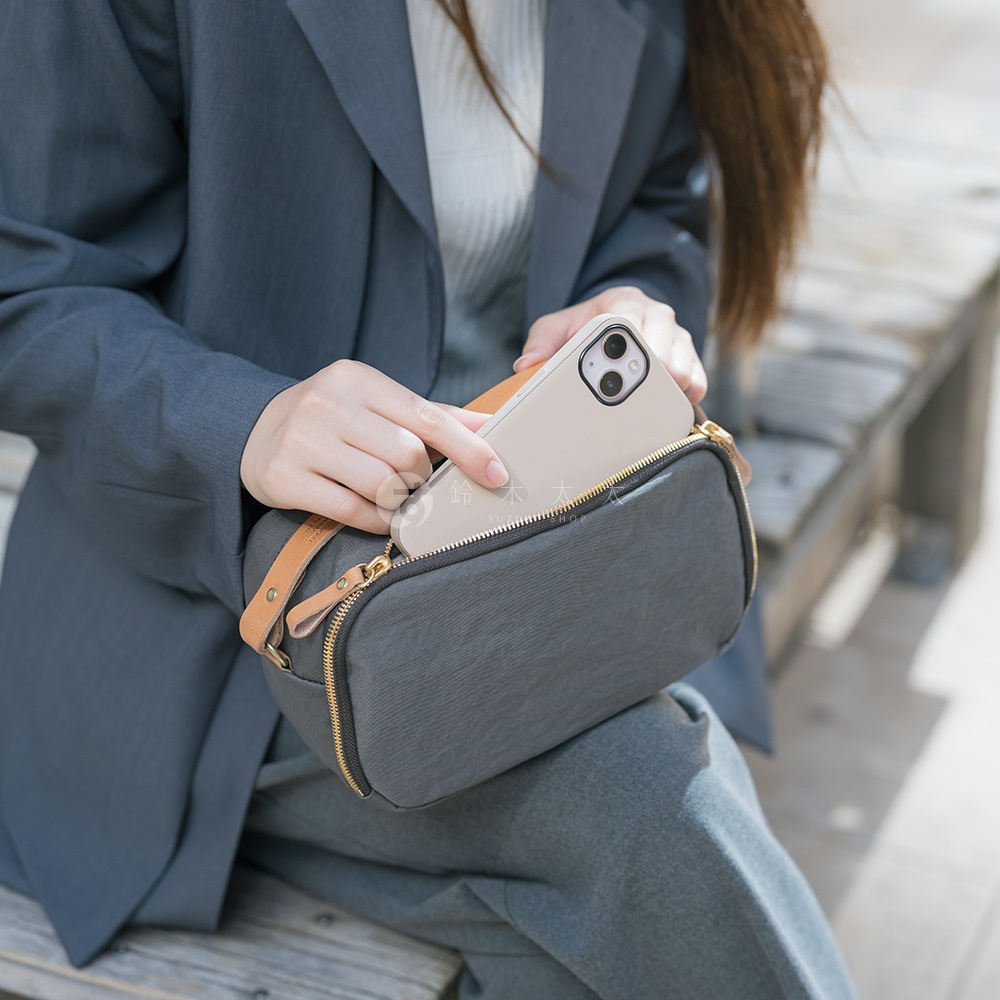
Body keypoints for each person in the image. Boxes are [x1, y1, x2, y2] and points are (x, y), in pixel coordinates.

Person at [0, 0, 859, 996]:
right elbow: (32, 287)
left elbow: (657, 198)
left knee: (619, 895)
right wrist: (244, 422)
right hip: (226, 619)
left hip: (557, 540)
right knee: (658, 815)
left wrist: (629, 307)